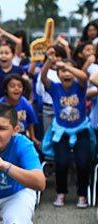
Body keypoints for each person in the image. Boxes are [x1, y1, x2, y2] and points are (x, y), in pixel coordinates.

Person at [40, 58, 93, 208]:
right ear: (58, 74)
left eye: (69, 70)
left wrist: (67, 66)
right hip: (61, 132)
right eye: (63, 71)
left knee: (83, 163)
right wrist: (49, 62)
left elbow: (84, 76)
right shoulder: (55, 88)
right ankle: (61, 193)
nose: (67, 73)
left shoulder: (80, 86)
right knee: (61, 163)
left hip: (81, 130)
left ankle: (82, 195)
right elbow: (43, 77)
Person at [0, 74, 40, 147]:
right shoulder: (0, 104)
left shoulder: (26, 104)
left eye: (19, 86)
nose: (16, 88)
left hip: (22, 135)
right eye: (12, 86)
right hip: (5, 137)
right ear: (6, 89)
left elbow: (31, 122)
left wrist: (32, 137)